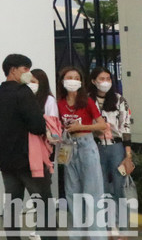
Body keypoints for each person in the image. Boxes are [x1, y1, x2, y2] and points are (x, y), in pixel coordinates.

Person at [0, 54, 54, 240]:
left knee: (12, 205)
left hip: (6, 161)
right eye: (25, 69)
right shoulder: (23, 92)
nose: (28, 74)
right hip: (29, 160)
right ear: (13, 70)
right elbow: (37, 126)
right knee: (44, 204)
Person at [57, 66, 107, 235]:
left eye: (76, 77)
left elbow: (102, 125)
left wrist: (82, 126)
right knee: (73, 194)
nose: (73, 80)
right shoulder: (60, 103)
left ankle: (97, 235)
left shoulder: (87, 101)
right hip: (68, 146)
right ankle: (76, 235)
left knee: (93, 192)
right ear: (63, 81)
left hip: (86, 145)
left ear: (81, 82)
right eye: (69, 77)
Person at [87, 66, 135, 233]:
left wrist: (127, 154)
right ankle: (107, 225)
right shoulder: (87, 100)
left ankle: (122, 227)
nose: (105, 82)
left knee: (118, 187)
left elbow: (126, 126)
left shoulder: (118, 99)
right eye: (101, 79)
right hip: (95, 147)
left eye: (108, 79)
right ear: (93, 81)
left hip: (116, 147)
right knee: (101, 187)